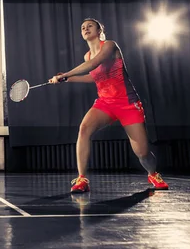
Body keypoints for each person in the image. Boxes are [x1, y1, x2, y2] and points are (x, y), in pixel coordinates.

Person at [49, 18, 169, 193]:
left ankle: (153, 173)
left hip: (127, 103)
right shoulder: (86, 55)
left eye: (90, 26)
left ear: (99, 30)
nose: (85, 28)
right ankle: (82, 179)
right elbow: (94, 76)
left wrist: (66, 74)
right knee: (84, 129)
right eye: (83, 27)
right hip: (105, 103)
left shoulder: (110, 46)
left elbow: (94, 64)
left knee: (142, 152)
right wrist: (66, 79)